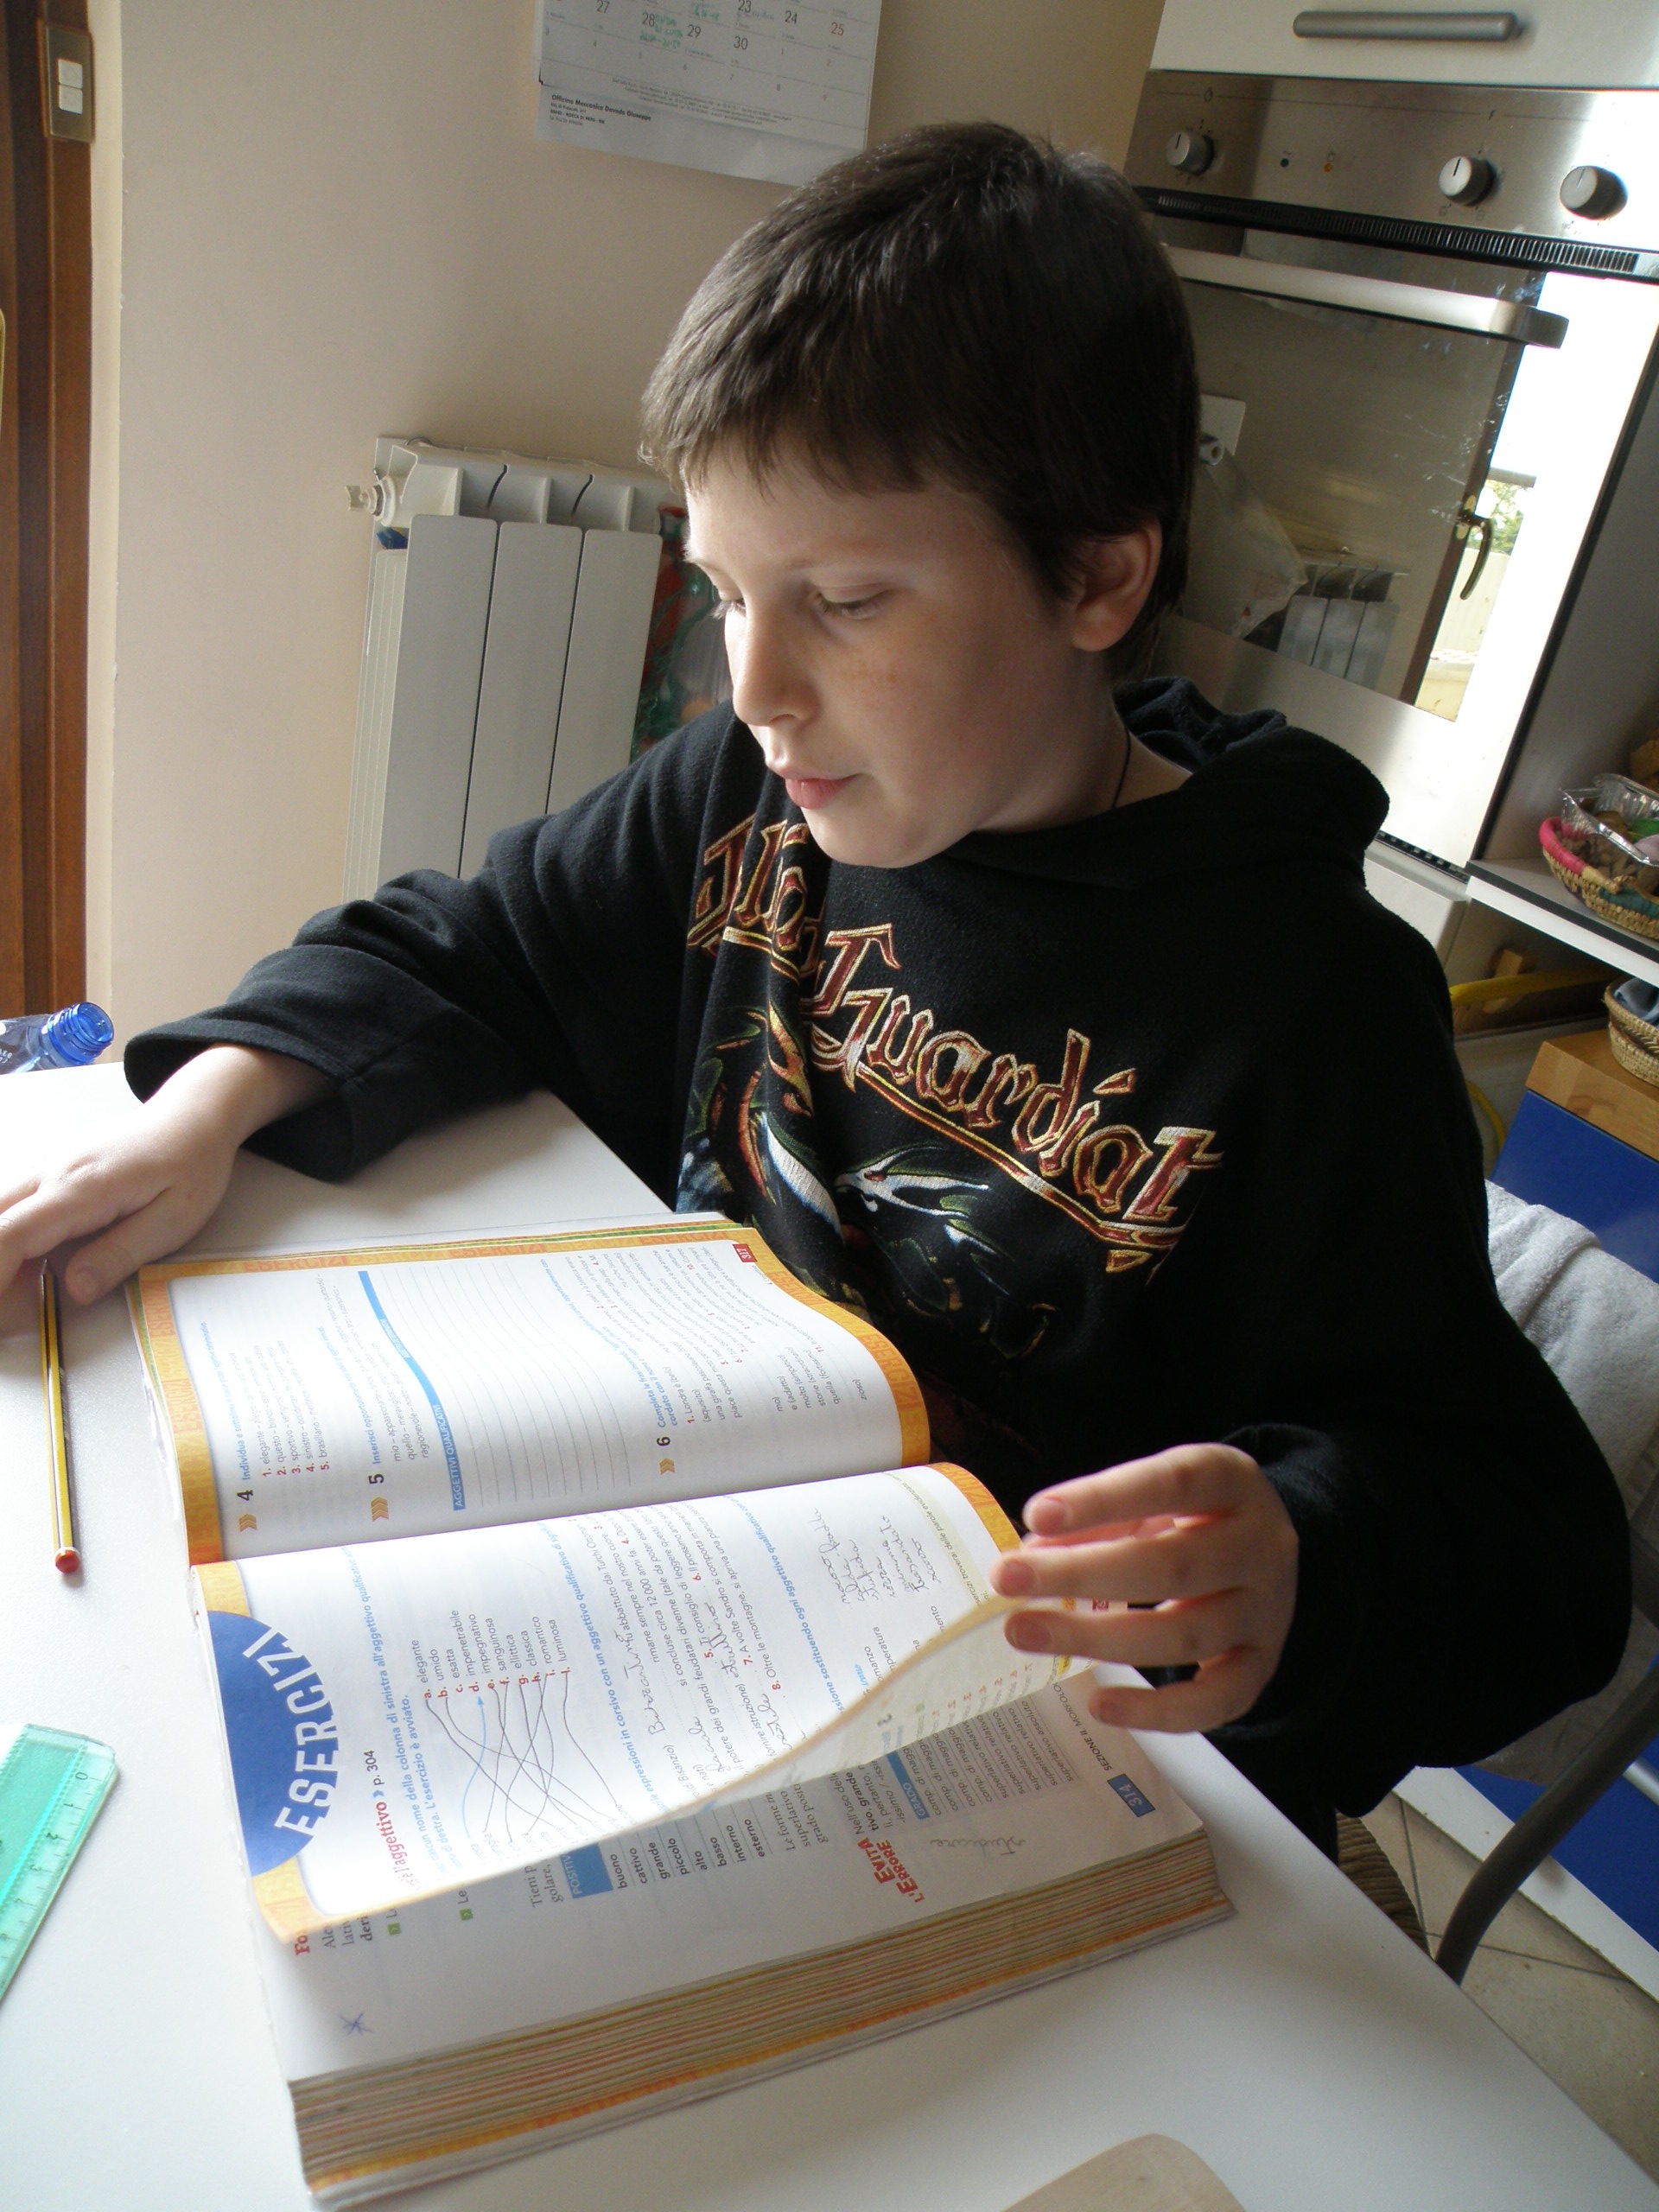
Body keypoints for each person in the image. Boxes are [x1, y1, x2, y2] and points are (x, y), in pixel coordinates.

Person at [0, 124, 1628, 1853]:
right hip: (703, 1619)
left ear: (1097, 575)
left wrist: (1297, 1558)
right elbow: (463, 940)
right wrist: (198, 1118)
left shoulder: (1309, 1002)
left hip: (1048, 1772)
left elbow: (1532, 1559)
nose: (756, 683)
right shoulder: (753, 791)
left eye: (845, 601)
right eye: (727, 593)